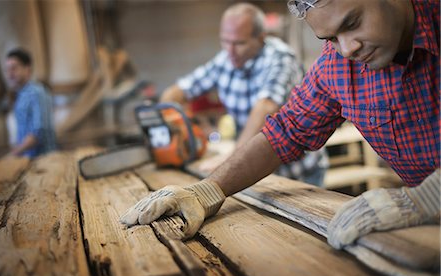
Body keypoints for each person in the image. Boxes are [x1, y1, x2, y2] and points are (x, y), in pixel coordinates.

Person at [121, 0, 440, 250]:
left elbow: (266, 106)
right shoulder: (337, 66)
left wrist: (428, 197)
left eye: (352, 23)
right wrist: (207, 190)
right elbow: (285, 131)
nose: (348, 49)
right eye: (330, 38)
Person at [160, 2, 328, 187]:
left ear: (261, 37)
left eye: (239, 43)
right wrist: (169, 122)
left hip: (296, 172)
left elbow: (266, 107)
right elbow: (179, 91)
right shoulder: (226, 59)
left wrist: (233, 157)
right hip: (254, 167)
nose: (230, 50)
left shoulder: (280, 59)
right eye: (225, 41)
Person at [5, 48, 56, 158]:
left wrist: (16, 152)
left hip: (43, 160)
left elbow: (38, 133)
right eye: (7, 69)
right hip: (28, 158)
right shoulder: (20, 95)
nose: (9, 74)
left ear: (27, 69)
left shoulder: (36, 93)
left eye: (14, 68)